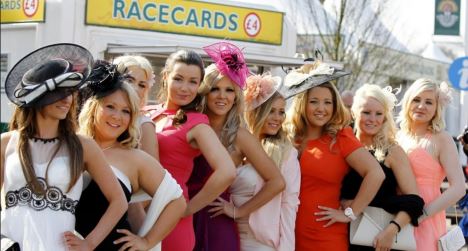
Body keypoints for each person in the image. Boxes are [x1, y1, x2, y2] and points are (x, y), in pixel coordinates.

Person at [0, 43, 128, 251]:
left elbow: (119, 201)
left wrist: (90, 243)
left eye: (71, 92)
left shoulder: (83, 145)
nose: (67, 99)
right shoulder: (6, 142)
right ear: (39, 96)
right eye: (60, 92)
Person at [75, 60, 186, 250]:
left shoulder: (135, 158)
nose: (117, 116)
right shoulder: (72, 145)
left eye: (126, 111)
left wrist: (146, 241)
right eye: (110, 106)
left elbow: (177, 202)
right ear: (93, 107)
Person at [282, 60, 385, 251]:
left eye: (327, 102)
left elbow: (376, 174)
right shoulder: (287, 137)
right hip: (285, 232)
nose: (321, 108)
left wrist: (350, 213)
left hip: (325, 235)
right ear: (302, 103)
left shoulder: (341, 137)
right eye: (314, 101)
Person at [194, 42, 285, 251]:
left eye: (229, 90)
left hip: (216, 223)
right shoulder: (191, 126)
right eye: (215, 89)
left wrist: (238, 211)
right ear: (205, 93)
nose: (222, 96)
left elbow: (277, 182)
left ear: (236, 96)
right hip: (184, 217)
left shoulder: (241, 136)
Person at [143, 49, 237, 251]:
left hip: (171, 221)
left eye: (193, 82)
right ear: (166, 77)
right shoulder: (147, 112)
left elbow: (227, 171)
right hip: (138, 213)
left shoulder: (196, 123)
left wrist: (187, 209)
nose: (185, 88)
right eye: (178, 79)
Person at [340, 84, 424, 250]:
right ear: (354, 112)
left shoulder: (393, 151)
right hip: (340, 234)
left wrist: (391, 232)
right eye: (366, 112)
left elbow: (415, 201)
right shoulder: (342, 145)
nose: (373, 119)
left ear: (385, 117)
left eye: (379, 114)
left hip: (378, 239)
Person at [396, 78, 466, 251]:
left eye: (429, 102)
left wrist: (423, 214)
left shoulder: (442, 139)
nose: (421, 106)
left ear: (436, 108)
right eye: (416, 100)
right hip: (394, 214)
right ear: (408, 102)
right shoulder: (396, 136)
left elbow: (458, 188)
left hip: (427, 216)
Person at [243, 73, 301, 250]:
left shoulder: (287, 153)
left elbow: (289, 205)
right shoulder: (237, 145)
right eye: (271, 111)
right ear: (256, 112)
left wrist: (286, 248)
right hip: (229, 234)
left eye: (281, 112)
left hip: (262, 242)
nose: (278, 118)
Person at [114, 55, 158, 233]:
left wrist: (127, 202)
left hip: (130, 220)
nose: (136, 88)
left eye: (142, 84)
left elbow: (154, 185)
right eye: (129, 80)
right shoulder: (99, 117)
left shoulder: (144, 124)